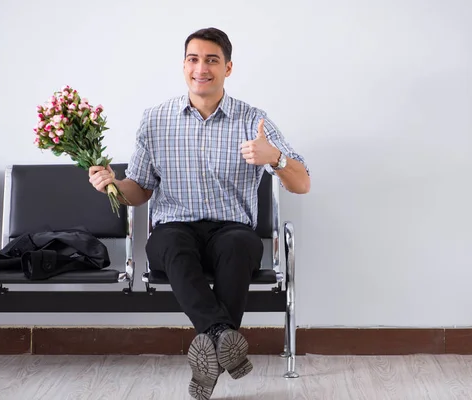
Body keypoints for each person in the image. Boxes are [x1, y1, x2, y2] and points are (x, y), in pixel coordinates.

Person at [89, 27, 310, 400]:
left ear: (228, 68)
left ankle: (211, 351)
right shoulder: (155, 119)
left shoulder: (252, 119)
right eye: (194, 59)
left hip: (232, 230)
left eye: (212, 60)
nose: (201, 68)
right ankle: (224, 338)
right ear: (183, 65)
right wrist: (112, 183)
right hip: (174, 229)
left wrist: (274, 157)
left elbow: (301, 182)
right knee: (173, 243)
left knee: (239, 246)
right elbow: (140, 189)